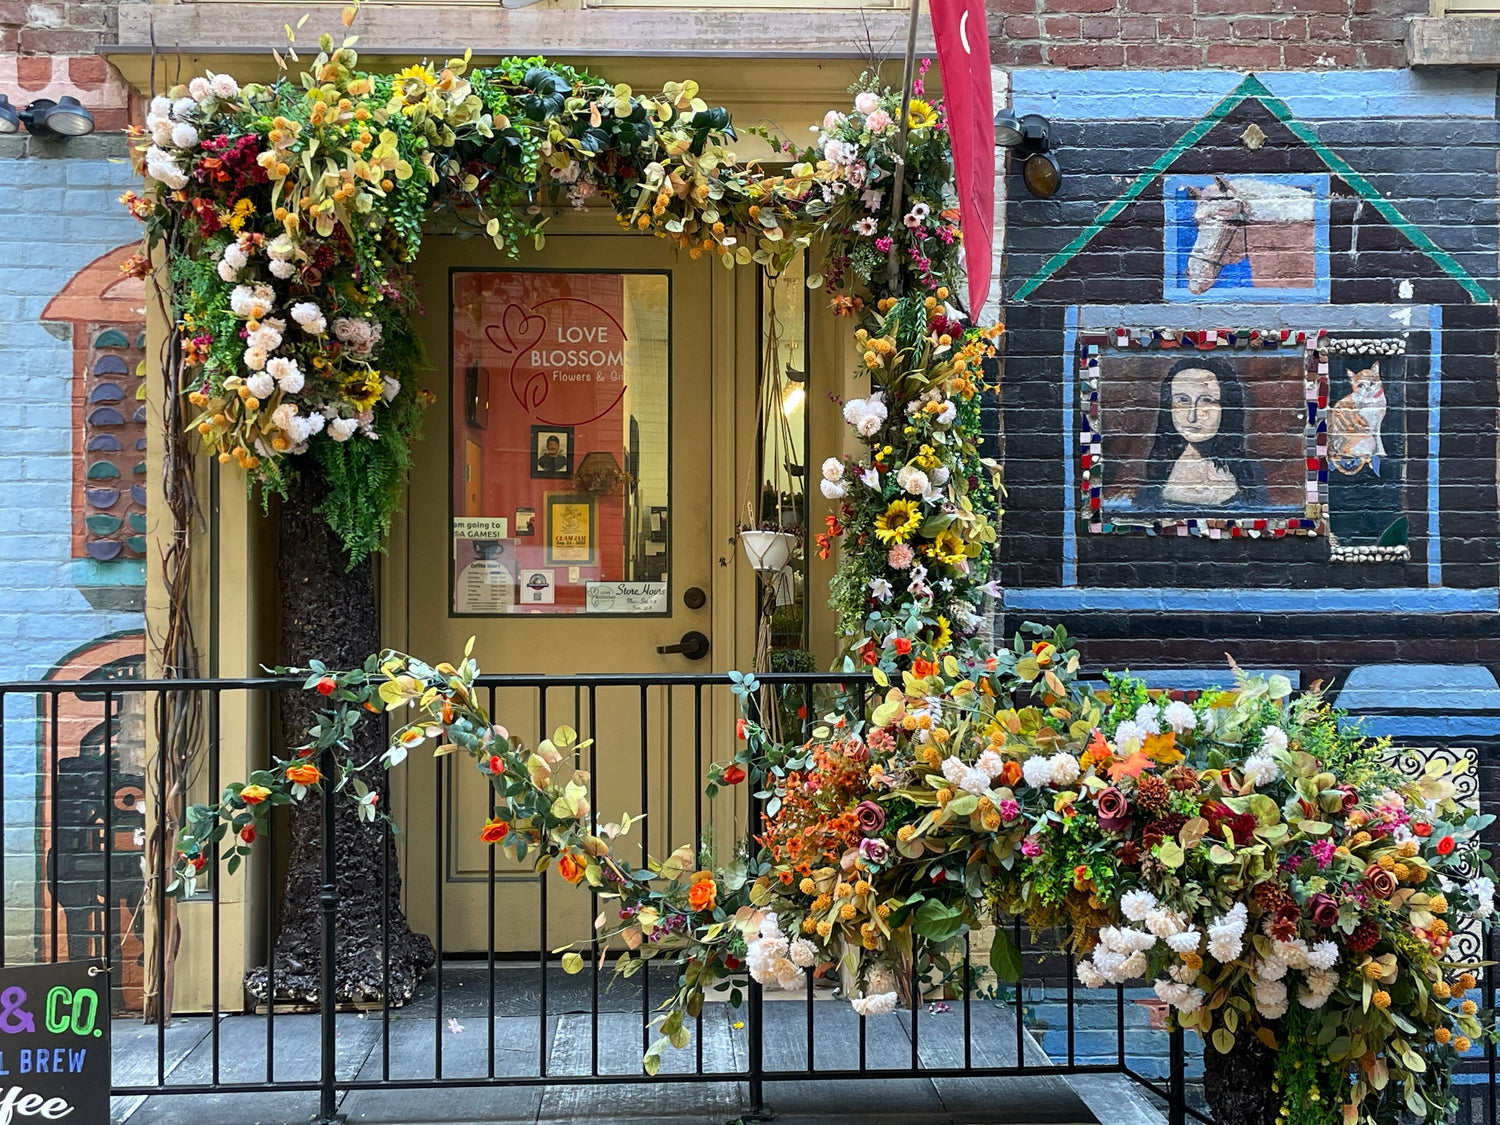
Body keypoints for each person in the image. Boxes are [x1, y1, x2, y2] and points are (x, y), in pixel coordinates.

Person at [1134, 356, 1267, 510]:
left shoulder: (1251, 473)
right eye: (1182, 400)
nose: (1192, 417)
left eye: (1207, 400)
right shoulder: (1159, 471)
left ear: (1227, 408)